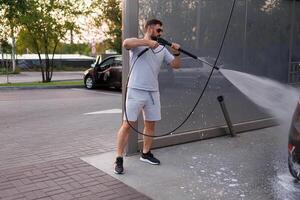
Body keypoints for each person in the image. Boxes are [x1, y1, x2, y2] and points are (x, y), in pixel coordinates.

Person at [114, 19, 181, 174]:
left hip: (153, 92)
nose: (160, 33)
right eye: (158, 30)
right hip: (135, 91)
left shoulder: (162, 49)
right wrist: (147, 43)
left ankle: (145, 153)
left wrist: (176, 52)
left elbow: (176, 65)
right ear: (150, 29)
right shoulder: (138, 45)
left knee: (150, 125)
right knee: (127, 125)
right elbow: (126, 43)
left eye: (161, 31)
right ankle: (118, 158)